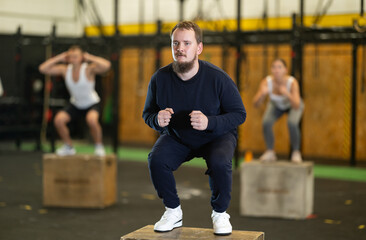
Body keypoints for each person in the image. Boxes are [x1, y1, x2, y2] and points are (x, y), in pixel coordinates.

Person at [142, 21, 246, 235]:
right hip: (179, 138)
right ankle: (173, 211)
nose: (180, 48)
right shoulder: (159, 79)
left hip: (215, 136)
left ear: (199, 48)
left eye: (187, 43)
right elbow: (148, 114)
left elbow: (239, 114)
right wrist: (156, 119)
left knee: (219, 161)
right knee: (157, 159)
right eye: (176, 43)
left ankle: (220, 213)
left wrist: (210, 122)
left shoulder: (218, 78)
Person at [39, 45, 111, 156]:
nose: (73, 59)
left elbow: (107, 65)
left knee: (91, 120)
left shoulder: (88, 69)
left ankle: (99, 146)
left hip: (91, 103)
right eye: (71, 57)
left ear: (81, 57)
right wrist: (59, 58)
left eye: (76, 56)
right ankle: (68, 147)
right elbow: (42, 69)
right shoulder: (65, 70)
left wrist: (90, 57)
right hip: (76, 104)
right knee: (59, 120)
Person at [253, 58, 304, 163]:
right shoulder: (266, 82)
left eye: (279, 67)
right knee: (266, 122)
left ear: (285, 70)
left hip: (292, 105)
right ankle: (270, 152)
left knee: (292, 123)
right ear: (271, 70)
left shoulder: (292, 82)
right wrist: (262, 94)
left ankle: (296, 152)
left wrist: (287, 94)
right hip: (276, 105)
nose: (276, 70)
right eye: (274, 67)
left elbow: (297, 105)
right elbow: (255, 104)